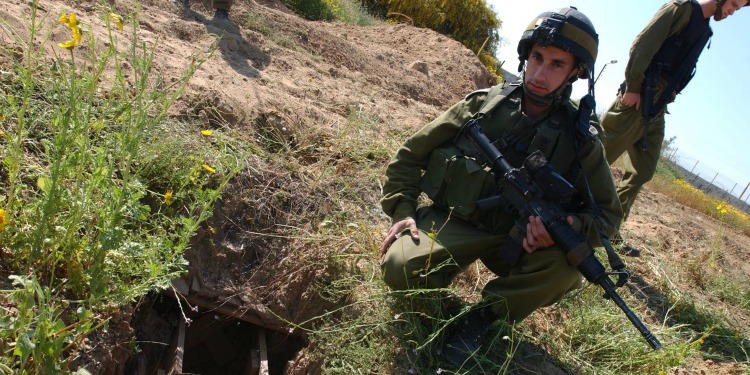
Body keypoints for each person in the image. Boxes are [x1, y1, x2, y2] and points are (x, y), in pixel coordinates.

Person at [378, 7, 622, 367]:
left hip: (519, 242)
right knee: (398, 267)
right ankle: (440, 283)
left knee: (570, 265)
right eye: (537, 57)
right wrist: (403, 210)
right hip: (454, 224)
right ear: (526, 54)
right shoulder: (482, 105)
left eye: (556, 64)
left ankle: (484, 317)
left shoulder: (581, 140)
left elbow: (608, 218)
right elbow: (410, 155)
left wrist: (563, 231)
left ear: (576, 72)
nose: (539, 73)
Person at [600, 0, 748, 255]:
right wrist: (633, 87)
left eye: (739, 8)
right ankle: (558, 207)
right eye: (734, 4)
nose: (733, 11)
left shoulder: (705, 28)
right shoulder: (681, 9)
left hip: (657, 109)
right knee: (595, 157)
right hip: (638, 100)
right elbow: (642, 45)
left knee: (643, 170)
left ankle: (608, 228)